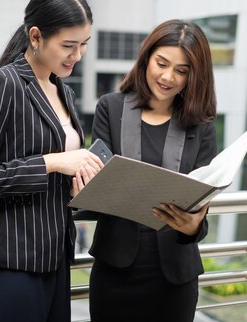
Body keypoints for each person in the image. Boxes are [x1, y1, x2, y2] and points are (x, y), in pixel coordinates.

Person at [0, 0, 105, 322]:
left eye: (83, 45)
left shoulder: (63, 91)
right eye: (68, 45)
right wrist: (52, 162)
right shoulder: (2, 83)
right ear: (36, 37)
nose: (77, 55)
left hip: (55, 259)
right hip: (9, 263)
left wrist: (80, 185)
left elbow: (58, 179)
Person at [85, 19, 218, 322]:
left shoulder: (202, 126)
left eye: (182, 70)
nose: (168, 77)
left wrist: (193, 226)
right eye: (162, 63)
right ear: (147, 58)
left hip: (175, 277)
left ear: (193, 76)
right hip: (115, 270)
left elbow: (202, 207)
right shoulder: (111, 108)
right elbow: (98, 180)